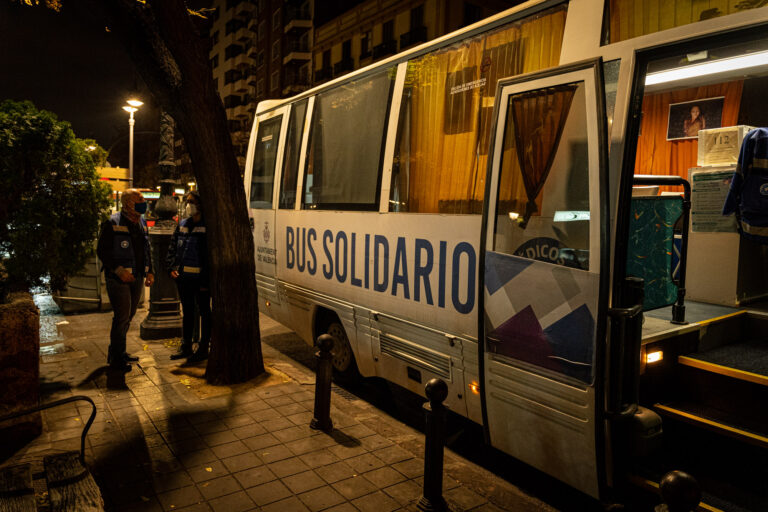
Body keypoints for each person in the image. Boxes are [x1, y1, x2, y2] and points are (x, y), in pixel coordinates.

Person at [96, 189, 154, 372]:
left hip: (136, 277)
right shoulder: (113, 223)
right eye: (140, 199)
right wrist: (119, 271)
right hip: (118, 279)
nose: (144, 202)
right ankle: (117, 359)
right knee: (122, 317)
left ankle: (118, 352)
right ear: (128, 203)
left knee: (128, 316)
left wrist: (150, 271)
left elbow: (146, 249)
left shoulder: (141, 222)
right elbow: (102, 251)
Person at [166, 191, 211, 362]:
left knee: (205, 312)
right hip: (184, 278)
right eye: (187, 201)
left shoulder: (208, 226)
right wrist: (171, 268)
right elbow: (172, 248)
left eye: (191, 201)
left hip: (201, 280)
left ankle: (203, 347)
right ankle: (186, 346)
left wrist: (206, 280)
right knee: (188, 313)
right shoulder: (183, 224)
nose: (188, 205)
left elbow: (210, 256)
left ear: (200, 204)